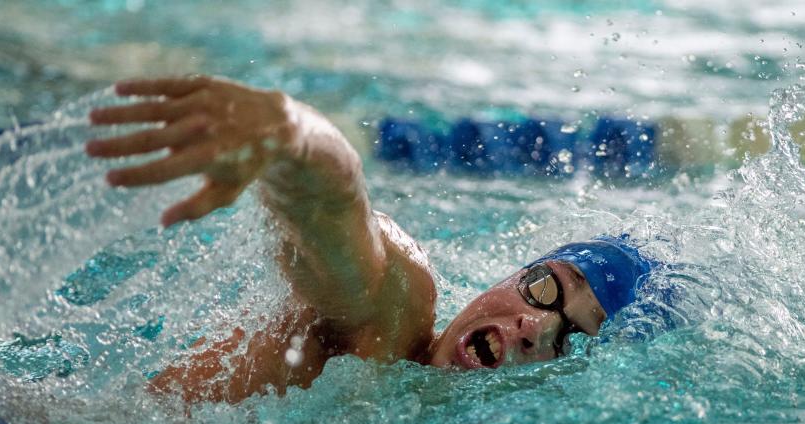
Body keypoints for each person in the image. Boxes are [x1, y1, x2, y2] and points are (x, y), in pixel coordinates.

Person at [86, 75, 658, 404]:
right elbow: (336, 214)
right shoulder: (395, 312)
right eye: (542, 289)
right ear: (510, 276)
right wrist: (289, 133)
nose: (534, 327)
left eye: (571, 339)